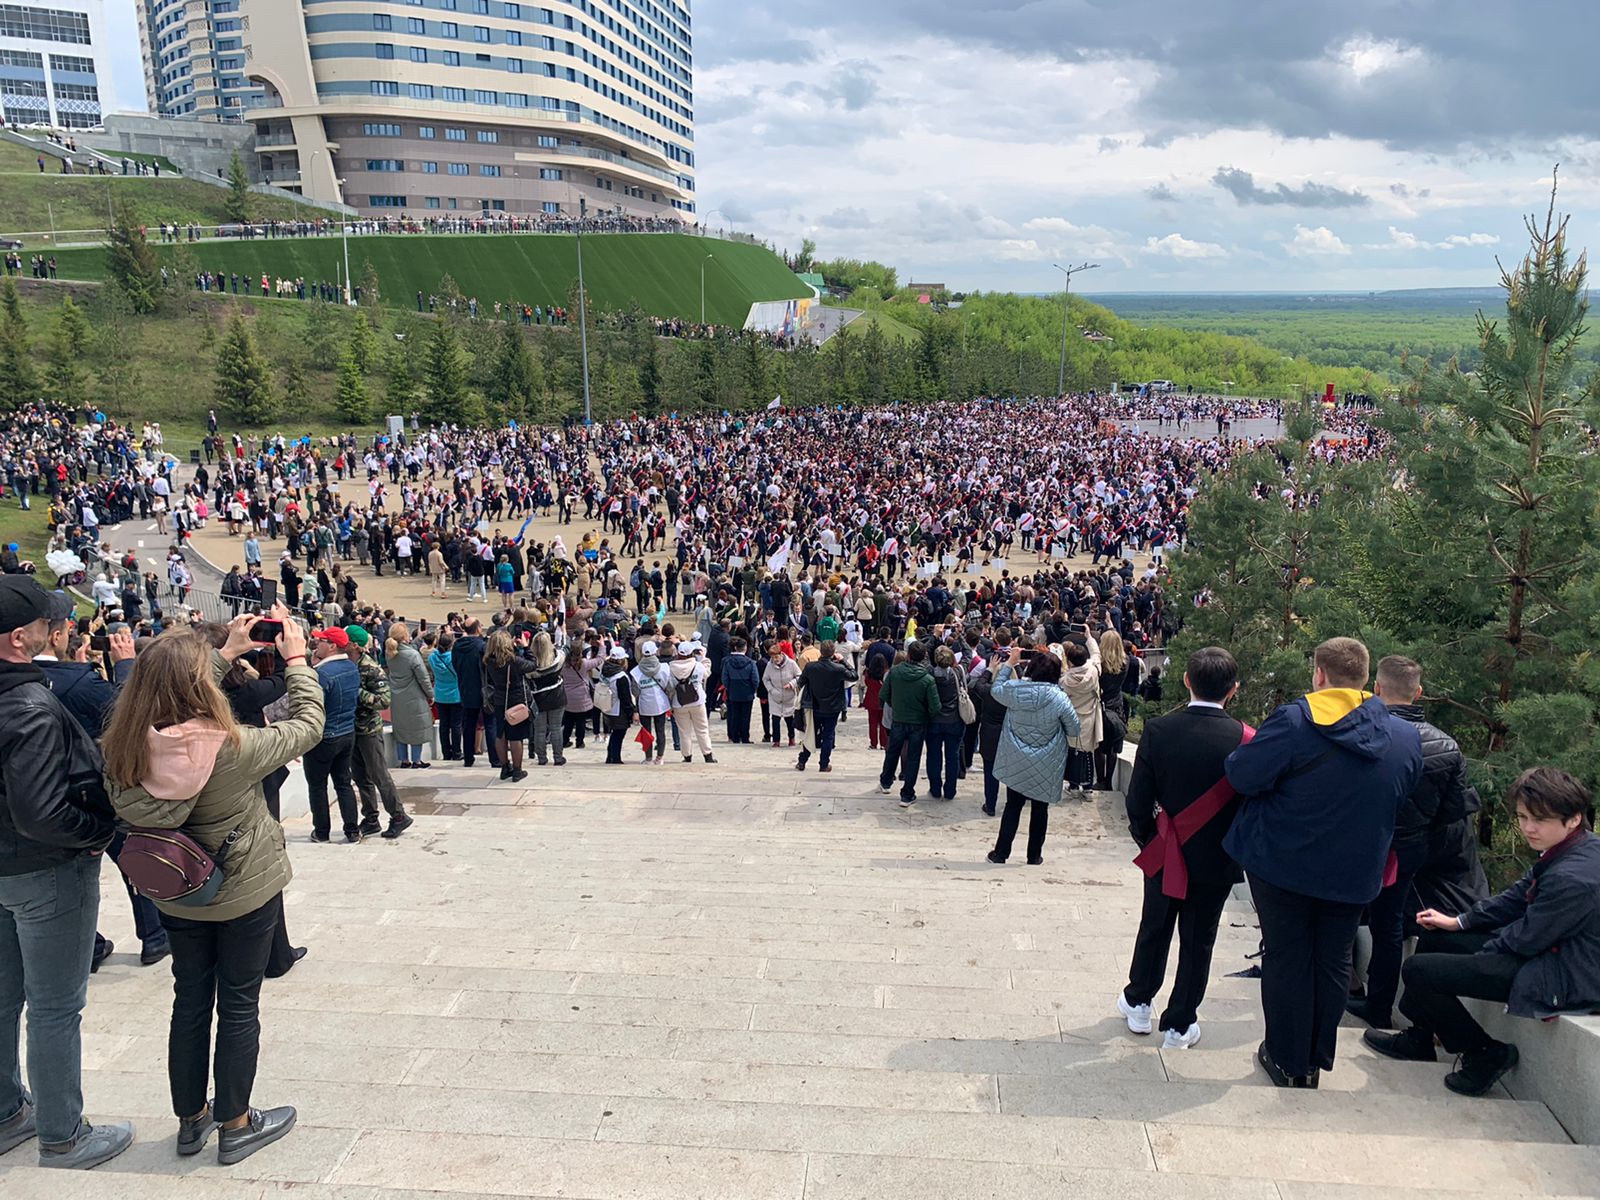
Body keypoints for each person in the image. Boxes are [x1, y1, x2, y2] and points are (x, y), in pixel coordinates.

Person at [102, 611, 320, 1165]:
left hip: (177, 891)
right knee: (239, 1004)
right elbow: (307, 725)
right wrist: (297, 660)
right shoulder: (231, 747)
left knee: (191, 1000)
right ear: (200, 685)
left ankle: (191, 1118)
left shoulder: (122, 747)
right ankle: (237, 1124)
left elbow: (173, 701)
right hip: (242, 889)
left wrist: (221, 657)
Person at [1224, 637, 1422, 1088]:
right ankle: (1315, 1060)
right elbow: (1401, 794)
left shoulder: (1295, 721)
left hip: (1283, 864)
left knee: (1286, 956)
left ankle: (1286, 1059)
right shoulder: (1404, 737)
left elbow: (1243, 775)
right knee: (1333, 961)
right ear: (1367, 680)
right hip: (1355, 869)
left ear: (1319, 674)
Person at [0, 577, 136, 1170]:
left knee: (5, 998)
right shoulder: (27, 705)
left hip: (8, 870)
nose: (52, 631)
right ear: (19, 638)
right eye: (43, 624)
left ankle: (8, 1113)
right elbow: (40, 812)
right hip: (46, 872)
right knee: (55, 1008)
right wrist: (96, 835)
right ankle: (63, 1136)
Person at [1365, 767, 1600, 1096]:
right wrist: (1459, 922)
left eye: (1540, 820)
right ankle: (1420, 1038)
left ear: (1573, 818)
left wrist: (1479, 957)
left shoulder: (1573, 877)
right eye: (1522, 817)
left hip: (1562, 974)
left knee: (1419, 971)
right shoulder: (1575, 847)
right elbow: (1517, 897)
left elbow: (1526, 939)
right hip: (1545, 950)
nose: (1528, 828)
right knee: (1436, 934)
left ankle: (1484, 1053)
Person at [1120, 647, 1249, 1049]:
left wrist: (1151, 840)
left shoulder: (1159, 730)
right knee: (1199, 940)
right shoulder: (1246, 739)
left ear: (1187, 680)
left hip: (1165, 850)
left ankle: (1139, 1002)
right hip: (1217, 857)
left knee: (1154, 927)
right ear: (1234, 689)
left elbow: (1138, 801)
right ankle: (1179, 1025)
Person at [32, 620, 170, 968]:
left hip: (44, 798)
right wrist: (124, 666)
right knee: (135, 863)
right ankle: (154, 936)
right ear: (56, 636)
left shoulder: (29, 681)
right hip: (97, 796)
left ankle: (90, 944)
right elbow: (127, 717)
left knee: (67, 878)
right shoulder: (80, 682)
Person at [1349, 655, 1475, 1030]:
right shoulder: (1447, 746)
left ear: (1376, 688)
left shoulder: (1358, 734)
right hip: (1408, 851)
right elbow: (1454, 812)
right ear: (1418, 692)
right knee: (1389, 927)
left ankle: (1336, 992)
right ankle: (1379, 1007)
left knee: (1341, 918)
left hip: (1358, 845)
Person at [985, 646, 1081, 865]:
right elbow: (1074, 729)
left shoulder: (1015, 690)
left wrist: (1010, 663)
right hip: (1047, 760)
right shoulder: (1059, 698)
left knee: (1013, 806)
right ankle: (1034, 856)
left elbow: (995, 689)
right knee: (1040, 809)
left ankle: (1000, 853)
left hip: (1017, 758)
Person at [345, 626, 412, 839]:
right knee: (360, 776)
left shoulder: (371, 668)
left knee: (379, 775)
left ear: (354, 645)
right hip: (353, 729)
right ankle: (371, 818)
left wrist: (356, 691)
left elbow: (384, 700)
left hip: (369, 730)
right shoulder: (347, 665)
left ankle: (399, 816)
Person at [304, 627, 361, 844]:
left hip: (324, 736)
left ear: (332, 646)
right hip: (347, 732)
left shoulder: (323, 674)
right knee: (343, 782)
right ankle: (352, 830)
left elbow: (312, 705)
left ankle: (321, 831)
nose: (316, 644)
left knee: (317, 786)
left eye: (321, 641)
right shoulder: (352, 667)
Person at [877, 640, 940, 808]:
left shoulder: (895, 672)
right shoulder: (927, 679)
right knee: (913, 757)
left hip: (898, 719)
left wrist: (896, 705)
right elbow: (935, 706)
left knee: (892, 752)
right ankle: (907, 794)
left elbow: (884, 695)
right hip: (918, 723)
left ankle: (886, 781)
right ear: (924, 656)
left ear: (909, 655)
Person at [482, 628, 535, 781]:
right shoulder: (514, 661)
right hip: (516, 700)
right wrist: (525, 647)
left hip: (499, 700)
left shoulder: (489, 660)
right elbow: (533, 665)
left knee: (501, 734)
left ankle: (505, 767)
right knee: (516, 736)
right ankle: (517, 770)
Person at [796, 640, 856, 773]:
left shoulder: (811, 667)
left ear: (820, 652)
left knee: (810, 734)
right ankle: (824, 764)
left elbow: (801, 682)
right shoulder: (838, 668)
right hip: (833, 707)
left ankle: (802, 761)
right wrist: (843, 661)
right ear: (833, 653)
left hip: (815, 705)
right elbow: (854, 676)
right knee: (828, 736)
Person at [384, 622, 434, 768]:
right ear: (405, 636)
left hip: (397, 695)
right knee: (416, 728)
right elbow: (423, 677)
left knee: (401, 728)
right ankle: (417, 760)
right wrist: (430, 694)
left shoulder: (389, 653)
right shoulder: (412, 655)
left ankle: (404, 760)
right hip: (414, 695)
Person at [923, 645, 966, 800]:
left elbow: (924, 654)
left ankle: (935, 789)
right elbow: (967, 655)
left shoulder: (929, 674)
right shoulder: (958, 672)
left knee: (933, 755)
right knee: (952, 756)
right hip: (954, 720)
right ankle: (950, 790)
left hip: (934, 720)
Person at [1061, 639, 1102, 794]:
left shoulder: (1065, 681)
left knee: (1073, 752)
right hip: (1090, 716)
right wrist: (1089, 637)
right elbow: (1096, 654)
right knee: (1087, 752)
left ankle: (1073, 786)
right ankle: (1088, 788)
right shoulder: (1094, 671)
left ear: (1070, 661)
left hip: (1071, 717)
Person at [453, 618, 493, 770]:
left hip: (465, 688)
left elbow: (455, 665)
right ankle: (495, 758)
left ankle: (468, 758)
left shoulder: (457, 646)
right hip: (484, 690)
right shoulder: (482, 646)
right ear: (478, 629)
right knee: (490, 724)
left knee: (468, 725)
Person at [668, 642, 716, 764]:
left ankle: (687, 756)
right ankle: (708, 755)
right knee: (702, 729)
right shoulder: (697, 666)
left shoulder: (671, 668)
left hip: (679, 702)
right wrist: (703, 658)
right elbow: (707, 673)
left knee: (684, 731)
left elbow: (670, 686)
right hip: (697, 701)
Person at [527, 631, 566, 767]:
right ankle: (558, 757)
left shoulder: (530, 665)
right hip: (556, 696)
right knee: (556, 728)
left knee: (539, 730)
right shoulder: (558, 659)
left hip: (538, 698)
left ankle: (542, 758)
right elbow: (564, 650)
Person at [631, 640, 672, 764]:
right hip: (660, 703)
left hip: (644, 704)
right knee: (660, 730)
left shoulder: (636, 671)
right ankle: (660, 757)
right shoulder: (664, 668)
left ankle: (648, 757)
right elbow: (669, 687)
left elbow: (635, 691)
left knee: (646, 731)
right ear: (656, 651)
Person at [599, 646, 636, 764]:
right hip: (618, 709)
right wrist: (632, 711)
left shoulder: (604, 671)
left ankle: (610, 756)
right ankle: (615, 757)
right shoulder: (621, 677)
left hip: (606, 707)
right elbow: (625, 698)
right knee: (618, 734)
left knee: (614, 733)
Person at [720, 638, 760, 744]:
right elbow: (755, 679)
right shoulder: (751, 663)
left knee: (734, 715)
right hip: (747, 692)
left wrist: (729, 687)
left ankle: (735, 737)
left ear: (735, 648)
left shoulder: (728, 662)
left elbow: (724, 678)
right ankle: (745, 737)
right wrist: (753, 689)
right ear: (745, 648)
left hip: (733, 691)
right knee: (746, 716)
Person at [429, 631, 462, 762]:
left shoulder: (432, 657)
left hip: (440, 693)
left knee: (444, 725)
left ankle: (446, 752)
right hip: (455, 694)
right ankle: (457, 752)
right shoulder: (454, 658)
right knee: (456, 725)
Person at [762, 643, 800, 748]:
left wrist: (791, 684)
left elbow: (799, 676)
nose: (775, 659)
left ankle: (791, 738)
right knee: (775, 719)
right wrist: (771, 689)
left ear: (781, 654)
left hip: (788, 696)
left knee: (789, 719)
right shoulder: (769, 666)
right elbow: (765, 679)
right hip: (775, 696)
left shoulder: (791, 663)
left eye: (776, 657)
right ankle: (776, 740)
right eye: (773, 657)